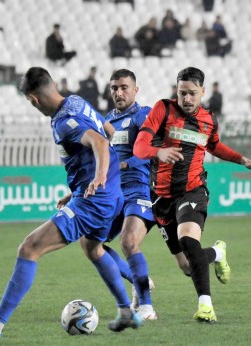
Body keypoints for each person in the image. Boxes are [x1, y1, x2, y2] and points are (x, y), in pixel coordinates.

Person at [0, 67, 143, 343]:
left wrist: (99, 177)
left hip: (95, 199)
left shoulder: (63, 121)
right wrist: (88, 183)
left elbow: (99, 143)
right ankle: (126, 311)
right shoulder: (76, 101)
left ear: (33, 99)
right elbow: (108, 130)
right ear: (53, 84)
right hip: (109, 194)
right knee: (92, 248)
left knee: (30, 247)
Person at [133, 67, 251, 323]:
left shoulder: (209, 119)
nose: (186, 99)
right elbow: (140, 145)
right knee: (189, 266)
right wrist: (159, 152)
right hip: (162, 197)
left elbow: (214, 146)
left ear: (203, 92)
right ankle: (218, 253)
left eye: (192, 94)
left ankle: (206, 306)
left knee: (189, 242)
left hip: (193, 189)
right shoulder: (162, 110)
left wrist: (243, 161)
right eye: (182, 93)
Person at [104, 69, 158, 320]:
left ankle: (146, 307)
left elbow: (151, 149)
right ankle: (140, 278)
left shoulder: (143, 115)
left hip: (138, 189)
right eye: (114, 88)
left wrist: (126, 164)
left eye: (124, 87)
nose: (119, 92)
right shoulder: (106, 121)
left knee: (128, 242)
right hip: (112, 192)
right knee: (92, 243)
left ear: (135, 90)